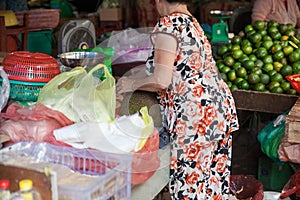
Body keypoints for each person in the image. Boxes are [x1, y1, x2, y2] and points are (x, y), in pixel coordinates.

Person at [116, 0, 239, 199]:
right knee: (211, 189)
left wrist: (130, 84)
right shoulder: (192, 23)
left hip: (196, 118)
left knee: (189, 192)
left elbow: (161, 80)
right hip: (218, 110)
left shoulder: (168, 25)